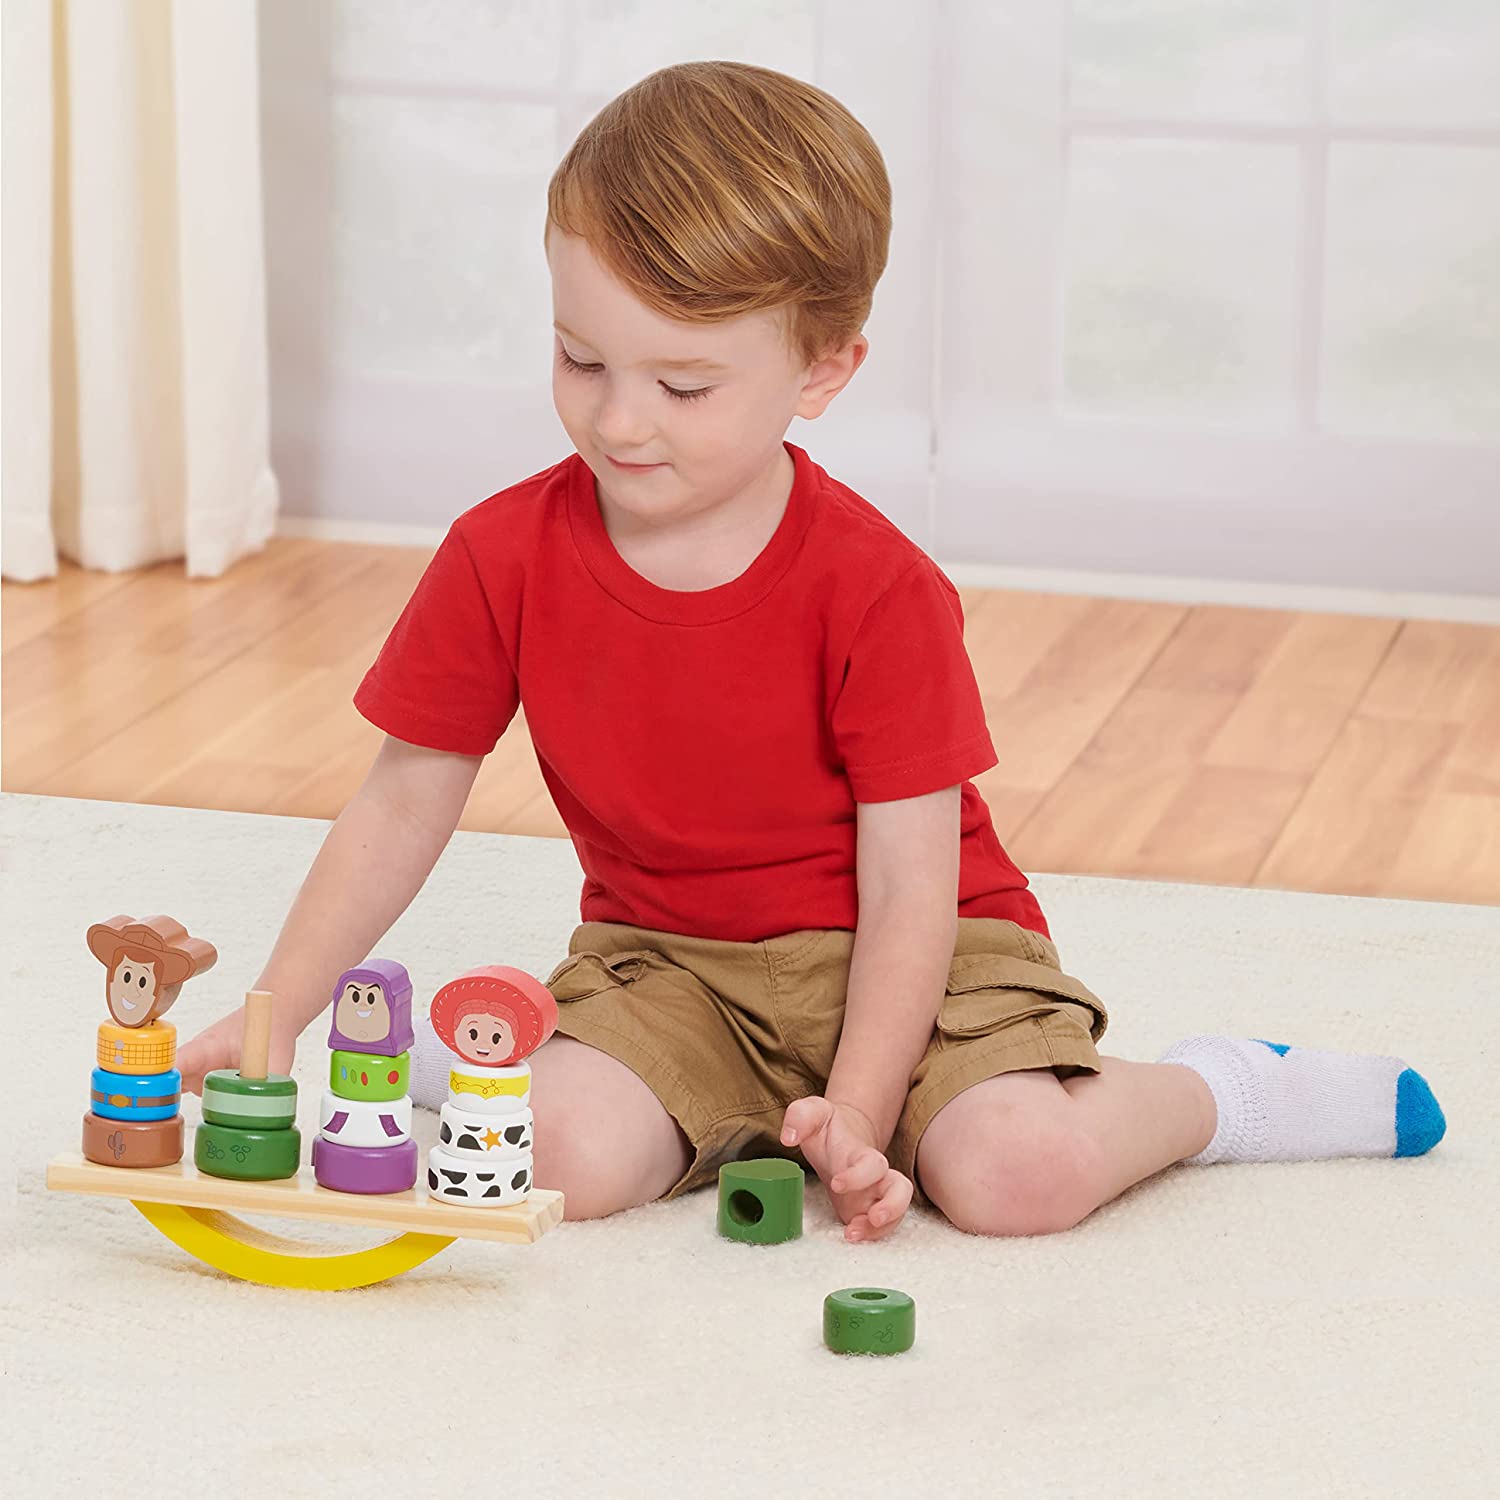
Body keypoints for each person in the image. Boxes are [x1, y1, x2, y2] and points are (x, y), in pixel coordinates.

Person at [178, 60, 1445, 1241]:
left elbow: (911, 881)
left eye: (684, 387)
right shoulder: (499, 554)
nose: (620, 421)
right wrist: (276, 1012)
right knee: (552, 1154)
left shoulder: (877, 588)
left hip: (933, 957)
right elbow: (402, 798)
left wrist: (862, 1104)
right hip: (672, 965)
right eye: (580, 358)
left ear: (824, 371)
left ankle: (1221, 1091)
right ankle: (637, 1092)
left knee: (1015, 1177)